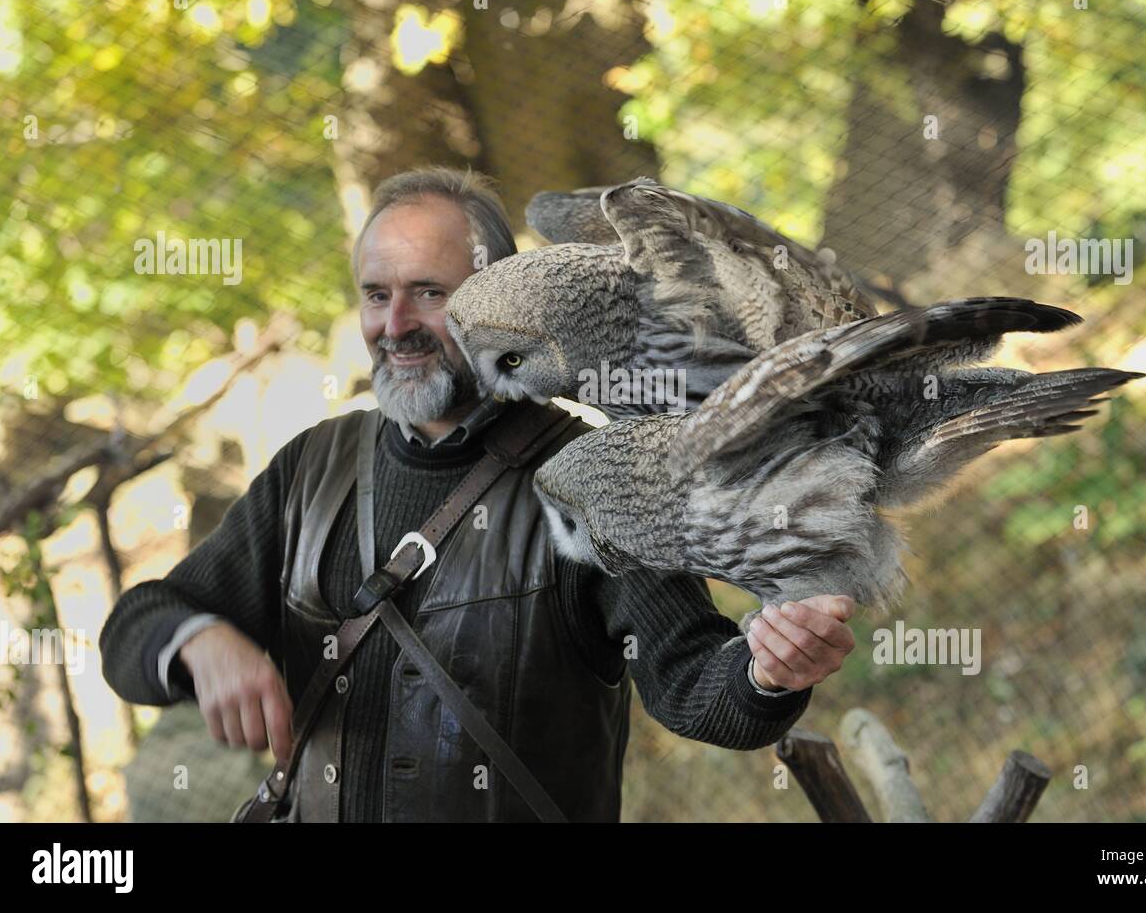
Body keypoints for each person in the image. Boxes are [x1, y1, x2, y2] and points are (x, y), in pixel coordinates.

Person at [100, 166, 857, 822]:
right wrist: (196, 639)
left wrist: (765, 670)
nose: (395, 326)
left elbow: (695, 681)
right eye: (375, 294)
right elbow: (133, 629)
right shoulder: (311, 467)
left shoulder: (598, 471)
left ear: (502, 298)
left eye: (429, 293)